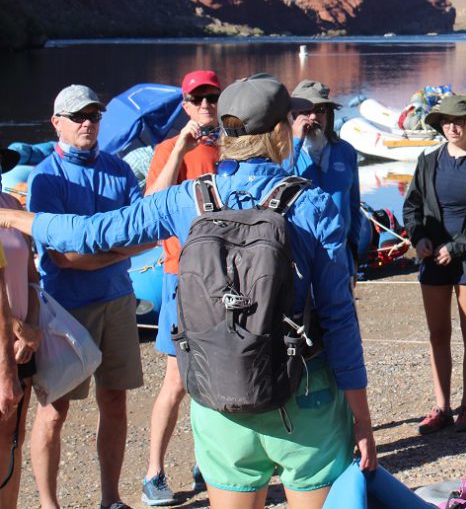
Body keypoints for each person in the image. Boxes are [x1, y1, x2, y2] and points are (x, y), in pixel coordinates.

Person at [6, 74, 376, 509]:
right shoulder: (311, 205)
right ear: (279, 132)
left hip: (219, 401)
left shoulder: (187, 200)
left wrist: (16, 219)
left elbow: (92, 232)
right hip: (304, 399)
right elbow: (338, 317)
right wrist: (361, 415)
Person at [27, 84, 151, 509]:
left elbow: (145, 231)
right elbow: (62, 258)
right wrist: (112, 255)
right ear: (56, 122)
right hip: (65, 308)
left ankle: (111, 499)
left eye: (94, 116)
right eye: (78, 116)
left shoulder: (118, 169)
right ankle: (48, 504)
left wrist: (97, 256)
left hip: (118, 299)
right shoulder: (45, 177)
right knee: (55, 408)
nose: (87, 123)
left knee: (114, 400)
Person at [140, 70, 222, 505]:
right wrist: (180, 151)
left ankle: (206, 464)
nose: (207, 105)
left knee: (215, 375)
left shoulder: (230, 147)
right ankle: (154, 472)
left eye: (212, 97)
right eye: (198, 99)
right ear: (186, 106)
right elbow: (150, 206)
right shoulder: (168, 149)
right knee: (176, 380)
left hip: (222, 275)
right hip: (180, 274)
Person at [403, 95, 466, 435]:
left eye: (459, 120)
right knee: (438, 334)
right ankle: (442, 406)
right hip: (433, 258)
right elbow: (413, 207)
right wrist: (418, 237)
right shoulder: (428, 160)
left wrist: (459, 246)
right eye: (446, 121)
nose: (452, 126)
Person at [0, 145, 41, 509]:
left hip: (20, 345)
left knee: (13, 439)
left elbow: (32, 278)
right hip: (4, 351)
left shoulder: (11, 207)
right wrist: (17, 329)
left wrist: (32, 328)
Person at [290, 80, 362, 266]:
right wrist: (295, 142)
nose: (314, 116)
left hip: (338, 253)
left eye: (321, 110)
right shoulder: (283, 152)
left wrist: (352, 251)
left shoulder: (346, 151)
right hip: (298, 255)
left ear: (329, 114)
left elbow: (354, 204)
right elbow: (273, 186)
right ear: (294, 115)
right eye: (306, 111)